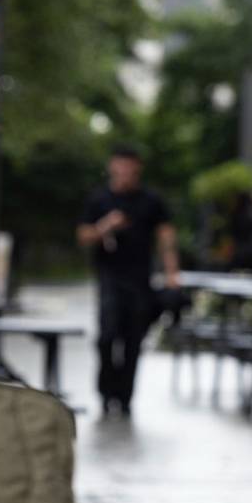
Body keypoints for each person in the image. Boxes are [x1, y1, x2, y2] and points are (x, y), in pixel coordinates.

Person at [76, 145, 179, 417]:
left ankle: (124, 398)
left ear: (137, 169)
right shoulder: (99, 200)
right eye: (120, 166)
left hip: (140, 279)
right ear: (112, 166)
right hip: (110, 278)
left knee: (133, 340)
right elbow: (83, 236)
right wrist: (105, 227)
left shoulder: (150, 201)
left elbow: (166, 237)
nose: (125, 173)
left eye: (130, 167)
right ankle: (106, 390)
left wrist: (172, 275)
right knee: (107, 335)